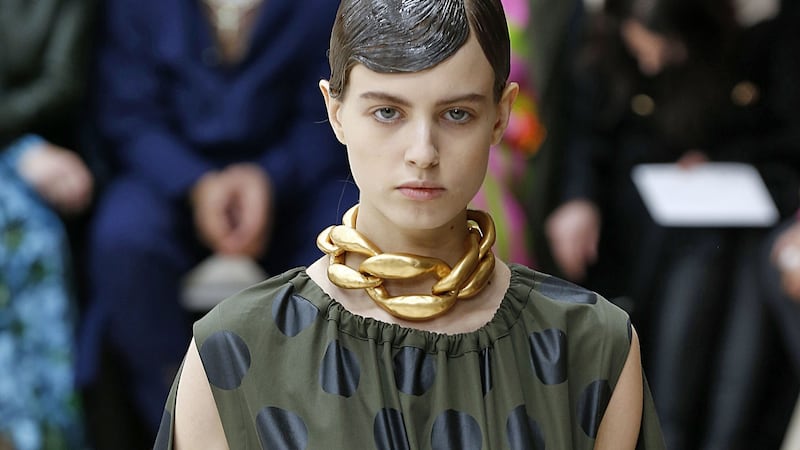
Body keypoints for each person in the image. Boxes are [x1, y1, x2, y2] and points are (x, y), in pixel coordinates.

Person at [153, 0, 666, 448]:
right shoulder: (234, 351)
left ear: (500, 114)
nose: (422, 152)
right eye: (387, 112)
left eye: (457, 114)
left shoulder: (592, 348)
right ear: (335, 110)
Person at [76, 0, 357, 443]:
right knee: (123, 237)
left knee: (347, 232)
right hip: (170, 181)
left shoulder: (323, 7)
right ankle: (178, 422)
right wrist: (196, 184)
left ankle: (309, 416)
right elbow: (129, 115)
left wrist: (268, 179)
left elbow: (330, 112)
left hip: (292, 183)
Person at [0, 0, 96, 448]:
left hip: (40, 145)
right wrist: (20, 150)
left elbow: (63, 81)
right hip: (18, 147)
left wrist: (21, 148)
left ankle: (39, 434)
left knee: (29, 237)